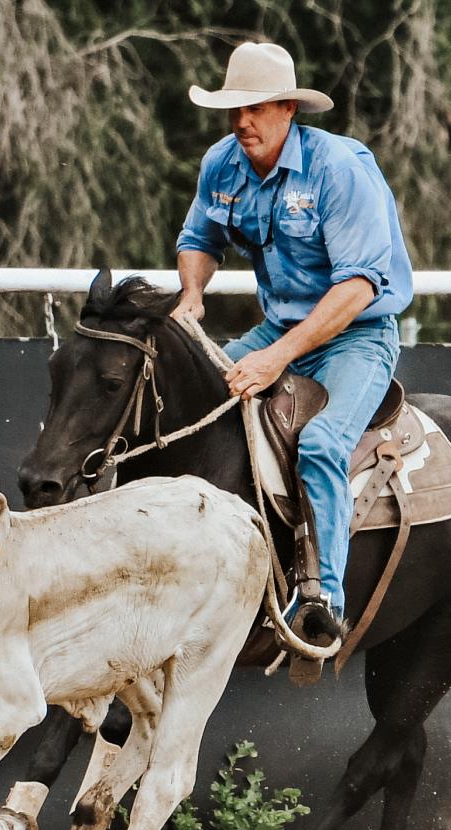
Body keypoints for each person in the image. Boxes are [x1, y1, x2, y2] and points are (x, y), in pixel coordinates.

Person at [171, 41, 413, 645]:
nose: (241, 121)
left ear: (288, 109)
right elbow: (198, 238)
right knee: (194, 404)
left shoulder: (339, 169)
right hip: (279, 328)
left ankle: (321, 601)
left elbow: (358, 287)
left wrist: (275, 357)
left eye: (255, 108)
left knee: (323, 442)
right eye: (234, 109)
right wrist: (192, 293)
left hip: (357, 336)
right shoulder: (222, 164)